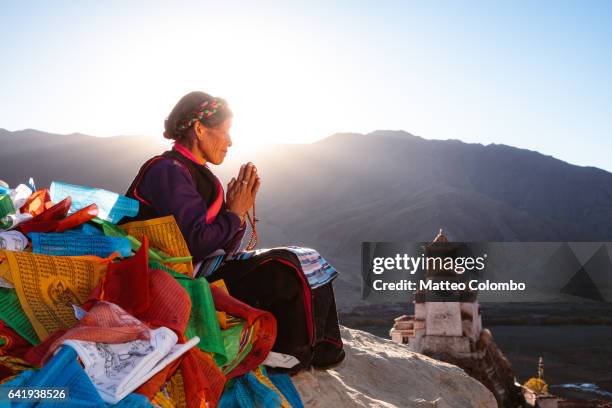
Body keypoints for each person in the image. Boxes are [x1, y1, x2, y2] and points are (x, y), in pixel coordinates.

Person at [122, 91, 344, 372]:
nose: (230, 142)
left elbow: (220, 245)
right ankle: (286, 355)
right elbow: (197, 243)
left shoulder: (199, 174)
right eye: (225, 132)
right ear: (200, 129)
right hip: (169, 281)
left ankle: (325, 349)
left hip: (199, 271)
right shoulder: (168, 170)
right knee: (283, 268)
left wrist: (236, 215)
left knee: (306, 256)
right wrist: (234, 213)